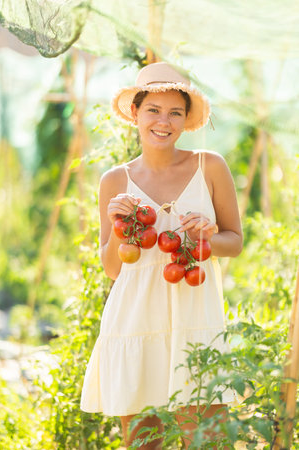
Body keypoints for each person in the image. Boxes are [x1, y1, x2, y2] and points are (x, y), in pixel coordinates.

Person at [80, 62, 243, 449]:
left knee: (206, 438)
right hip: (136, 318)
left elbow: (234, 241)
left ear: (186, 120)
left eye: (175, 112)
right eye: (153, 110)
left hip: (195, 315)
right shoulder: (115, 181)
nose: (163, 122)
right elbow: (111, 268)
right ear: (135, 113)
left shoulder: (210, 166)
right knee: (142, 441)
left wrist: (207, 238)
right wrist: (122, 228)